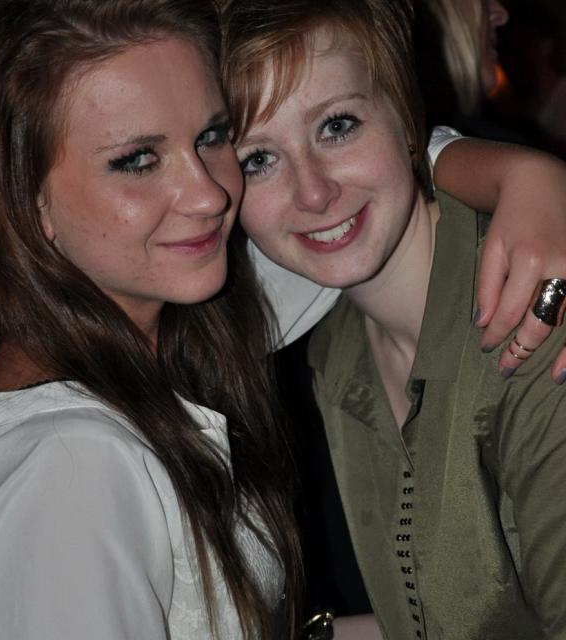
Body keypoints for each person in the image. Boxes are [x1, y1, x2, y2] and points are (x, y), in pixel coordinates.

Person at [0, 1, 302, 638]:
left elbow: (349, 229)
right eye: (138, 160)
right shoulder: (68, 469)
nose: (209, 194)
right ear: (28, 200)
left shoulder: (164, 322)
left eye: (212, 137)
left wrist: (467, 162)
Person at [221, 0, 566, 637]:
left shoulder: (538, 320)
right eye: (257, 160)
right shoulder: (332, 348)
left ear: (408, 118)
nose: (314, 192)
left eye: (338, 126)